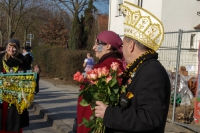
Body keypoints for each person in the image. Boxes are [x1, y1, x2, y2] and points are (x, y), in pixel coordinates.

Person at [94, 1, 171, 133]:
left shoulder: (152, 72)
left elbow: (150, 118)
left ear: (132, 46)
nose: (122, 49)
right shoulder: (141, 68)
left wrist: (109, 113)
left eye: (123, 45)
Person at [76, 30, 125, 133]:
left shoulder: (108, 67)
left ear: (108, 45)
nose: (94, 47)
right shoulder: (110, 64)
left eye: (97, 44)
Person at [0, 39, 30, 133]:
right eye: (10, 46)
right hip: (2, 98)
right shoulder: (1, 59)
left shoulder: (23, 62)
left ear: (18, 49)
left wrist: (36, 74)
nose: (11, 49)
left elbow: (28, 80)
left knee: (14, 125)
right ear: (6, 47)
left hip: (16, 99)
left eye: (14, 47)